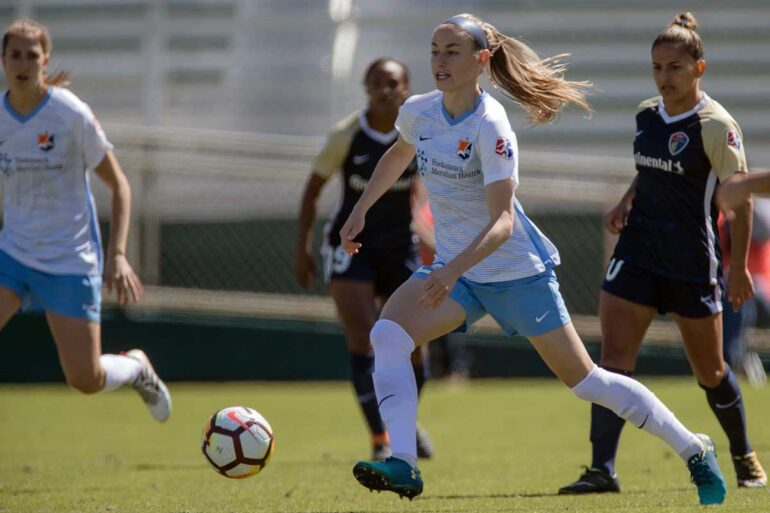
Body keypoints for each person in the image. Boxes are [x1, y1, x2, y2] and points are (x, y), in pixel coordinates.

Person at [341, 13, 727, 506]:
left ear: (481, 60)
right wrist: (360, 210)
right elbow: (399, 152)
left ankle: (694, 448)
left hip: (514, 272)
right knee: (387, 335)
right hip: (459, 274)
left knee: (587, 382)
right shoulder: (419, 111)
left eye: (453, 51)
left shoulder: (491, 125)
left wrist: (451, 269)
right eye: (435, 50)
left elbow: (503, 223)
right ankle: (404, 464)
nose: (440, 60)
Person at [559, 12, 766, 495]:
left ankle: (744, 457)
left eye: (674, 67)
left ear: (700, 68)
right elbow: (650, 170)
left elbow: (743, 198)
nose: (664, 77)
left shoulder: (717, 126)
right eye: (657, 67)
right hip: (637, 250)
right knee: (612, 363)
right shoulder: (647, 114)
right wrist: (625, 202)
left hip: (691, 259)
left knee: (711, 371)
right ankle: (602, 470)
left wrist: (736, 271)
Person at [0, 20, 171, 422]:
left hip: (69, 259)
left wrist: (117, 255)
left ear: (46, 61)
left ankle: (135, 368)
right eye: (14, 55)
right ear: (3, 60)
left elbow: (120, 185)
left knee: (85, 377)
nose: (23, 63)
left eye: (32, 55)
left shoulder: (70, 114)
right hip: (13, 253)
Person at [295, 58, 433, 461]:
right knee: (364, 337)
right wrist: (301, 248)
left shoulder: (421, 134)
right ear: (365, 87)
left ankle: (402, 423)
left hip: (400, 247)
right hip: (350, 245)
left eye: (393, 82)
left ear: (406, 88)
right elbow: (311, 191)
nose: (385, 90)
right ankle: (380, 440)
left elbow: (423, 190)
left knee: (414, 344)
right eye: (377, 82)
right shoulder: (347, 135)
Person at [719, 199, 770, 387]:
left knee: (743, 296)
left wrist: (743, 211)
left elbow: (762, 231)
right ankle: (732, 362)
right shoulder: (722, 221)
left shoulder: (757, 211)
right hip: (729, 295)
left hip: (763, 296)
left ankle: (732, 362)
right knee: (735, 298)